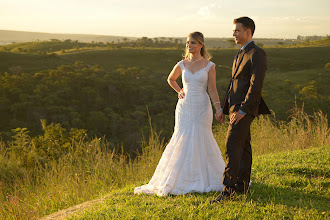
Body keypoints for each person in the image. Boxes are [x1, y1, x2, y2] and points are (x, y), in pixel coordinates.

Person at [134, 32, 225, 196]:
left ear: (201, 45)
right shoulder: (182, 64)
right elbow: (171, 79)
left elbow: (212, 89)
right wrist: (179, 90)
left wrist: (218, 109)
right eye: (188, 43)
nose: (190, 46)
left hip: (202, 106)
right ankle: (178, 178)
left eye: (194, 43)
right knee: (182, 137)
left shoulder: (209, 66)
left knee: (202, 137)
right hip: (185, 107)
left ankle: (205, 177)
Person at [210, 17, 271, 203]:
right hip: (235, 108)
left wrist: (243, 110)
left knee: (232, 146)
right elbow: (233, 84)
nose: (234, 33)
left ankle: (228, 190)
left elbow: (255, 86)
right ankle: (242, 185)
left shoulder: (257, 53)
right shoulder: (240, 53)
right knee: (243, 147)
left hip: (245, 108)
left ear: (248, 32)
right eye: (233, 30)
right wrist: (223, 108)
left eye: (237, 30)